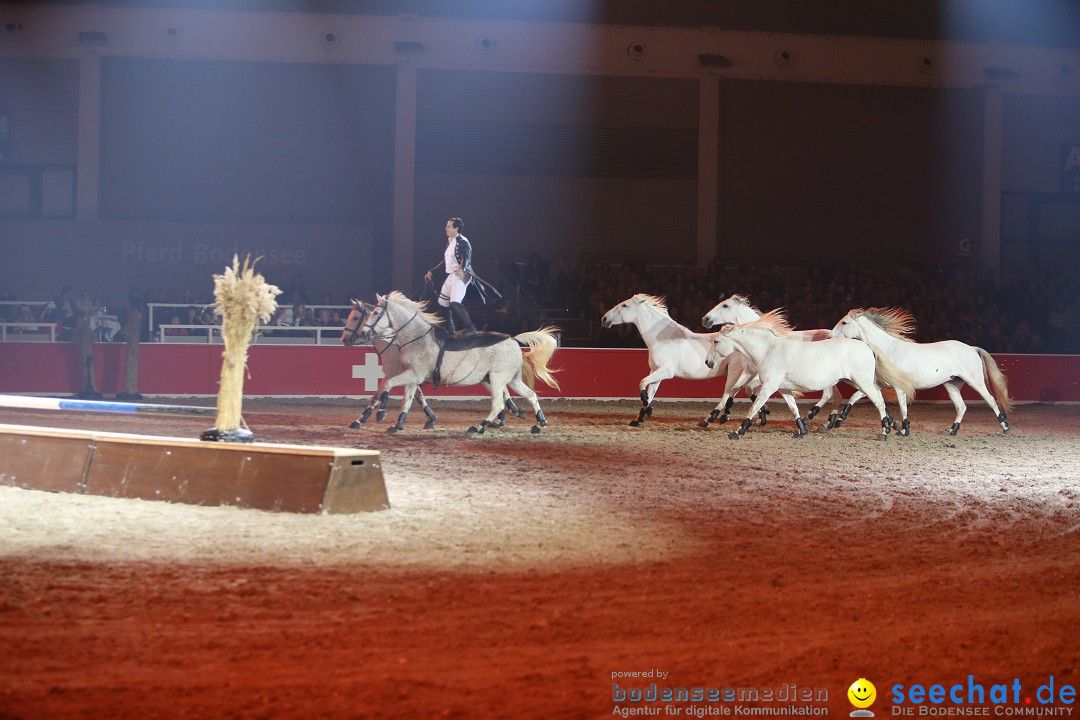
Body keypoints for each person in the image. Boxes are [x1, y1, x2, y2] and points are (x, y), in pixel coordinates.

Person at [423, 217, 498, 337]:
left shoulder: (463, 241)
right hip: (452, 275)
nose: (445, 228)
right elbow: (445, 261)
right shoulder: (450, 241)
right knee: (443, 302)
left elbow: (466, 257)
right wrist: (432, 271)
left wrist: (461, 268)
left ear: (456, 228)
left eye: (448, 226)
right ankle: (450, 328)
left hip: (461, 275)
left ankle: (470, 328)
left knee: (455, 302)